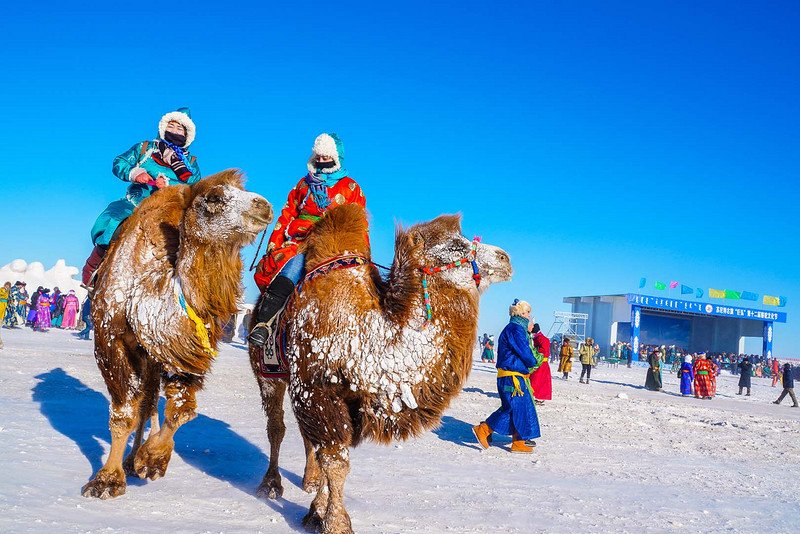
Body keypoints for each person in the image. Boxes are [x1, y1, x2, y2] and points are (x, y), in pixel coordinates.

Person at [249, 133, 367, 346]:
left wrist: (363, 255)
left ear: (336, 157)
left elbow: (359, 224)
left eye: (326, 156)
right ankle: (264, 324)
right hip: (301, 242)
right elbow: (287, 213)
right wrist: (274, 244)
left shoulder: (351, 188)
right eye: (319, 157)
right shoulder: (303, 184)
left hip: (334, 244)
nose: (322, 161)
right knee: (291, 270)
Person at [82, 108, 201, 288]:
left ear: (187, 134)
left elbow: (195, 188)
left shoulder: (190, 163)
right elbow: (119, 162)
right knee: (115, 221)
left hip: (170, 208)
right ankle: (93, 270)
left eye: (180, 128)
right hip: (136, 202)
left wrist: (169, 186)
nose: (175, 131)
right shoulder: (145, 148)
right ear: (163, 127)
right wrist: (134, 173)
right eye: (172, 125)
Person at [472, 299, 540, 454]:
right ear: (522, 313)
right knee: (513, 407)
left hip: (512, 375)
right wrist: (534, 361)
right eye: (528, 312)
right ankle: (484, 430)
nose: (530, 316)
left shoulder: (514, 328)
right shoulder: (516, 329)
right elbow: (525, 352)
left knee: (519, 408)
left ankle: (519, 440)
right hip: (512, 376)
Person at [529, 324, 552, 404]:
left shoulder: (542, 339)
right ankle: (533, 395)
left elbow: (542, 351)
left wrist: (534, 353)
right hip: (540, 363)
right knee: (537, 380)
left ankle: (537, 396)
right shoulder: (539, 338)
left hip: (541, 363)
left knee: (538, 381)